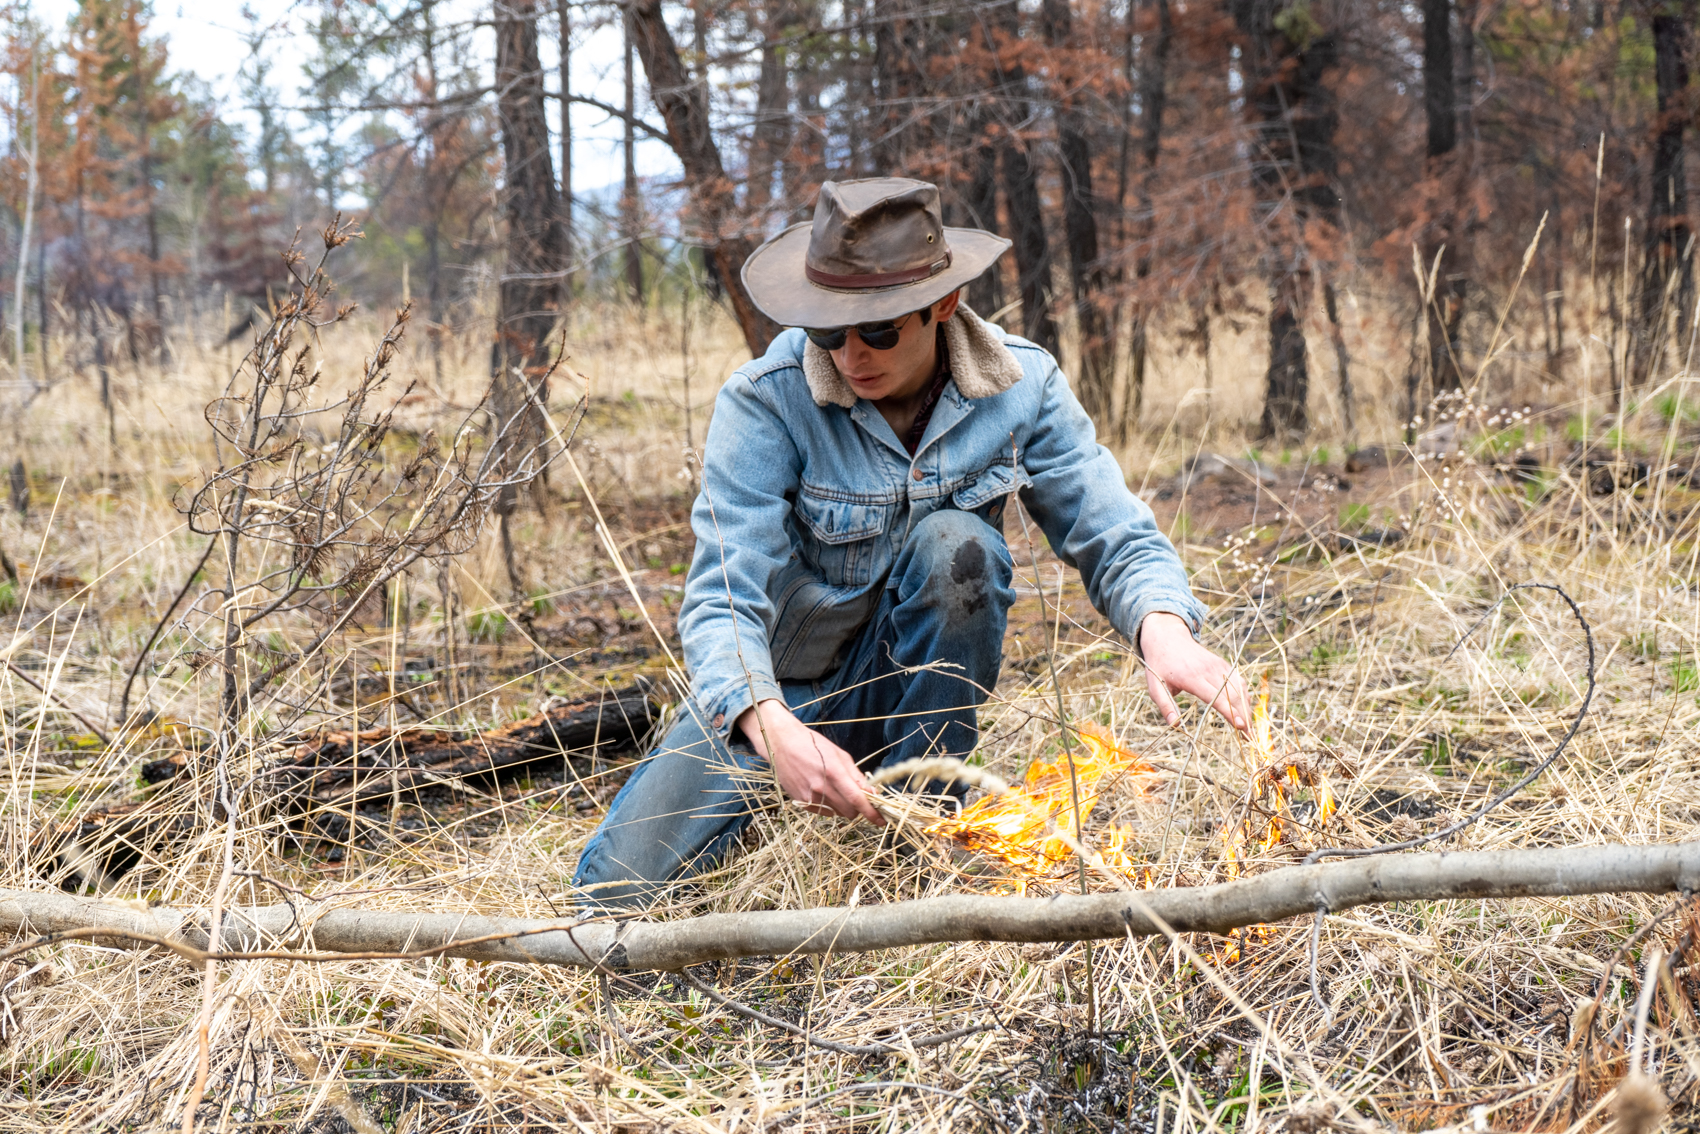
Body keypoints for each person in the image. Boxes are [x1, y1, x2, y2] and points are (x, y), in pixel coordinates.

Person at [573, 177, 1248, 907]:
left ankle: (930, 828)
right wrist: (767, 725)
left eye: (880, 330)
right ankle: (799, 787)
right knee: (611, 897)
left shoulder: (1025, 387)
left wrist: (1164, 631)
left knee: (957, 545)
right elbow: (722, 593)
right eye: (828, 332)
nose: (851, 354)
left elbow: (1111, 529)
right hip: (783, 694)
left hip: (917, 691)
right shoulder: (765, 399)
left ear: (942, 306)